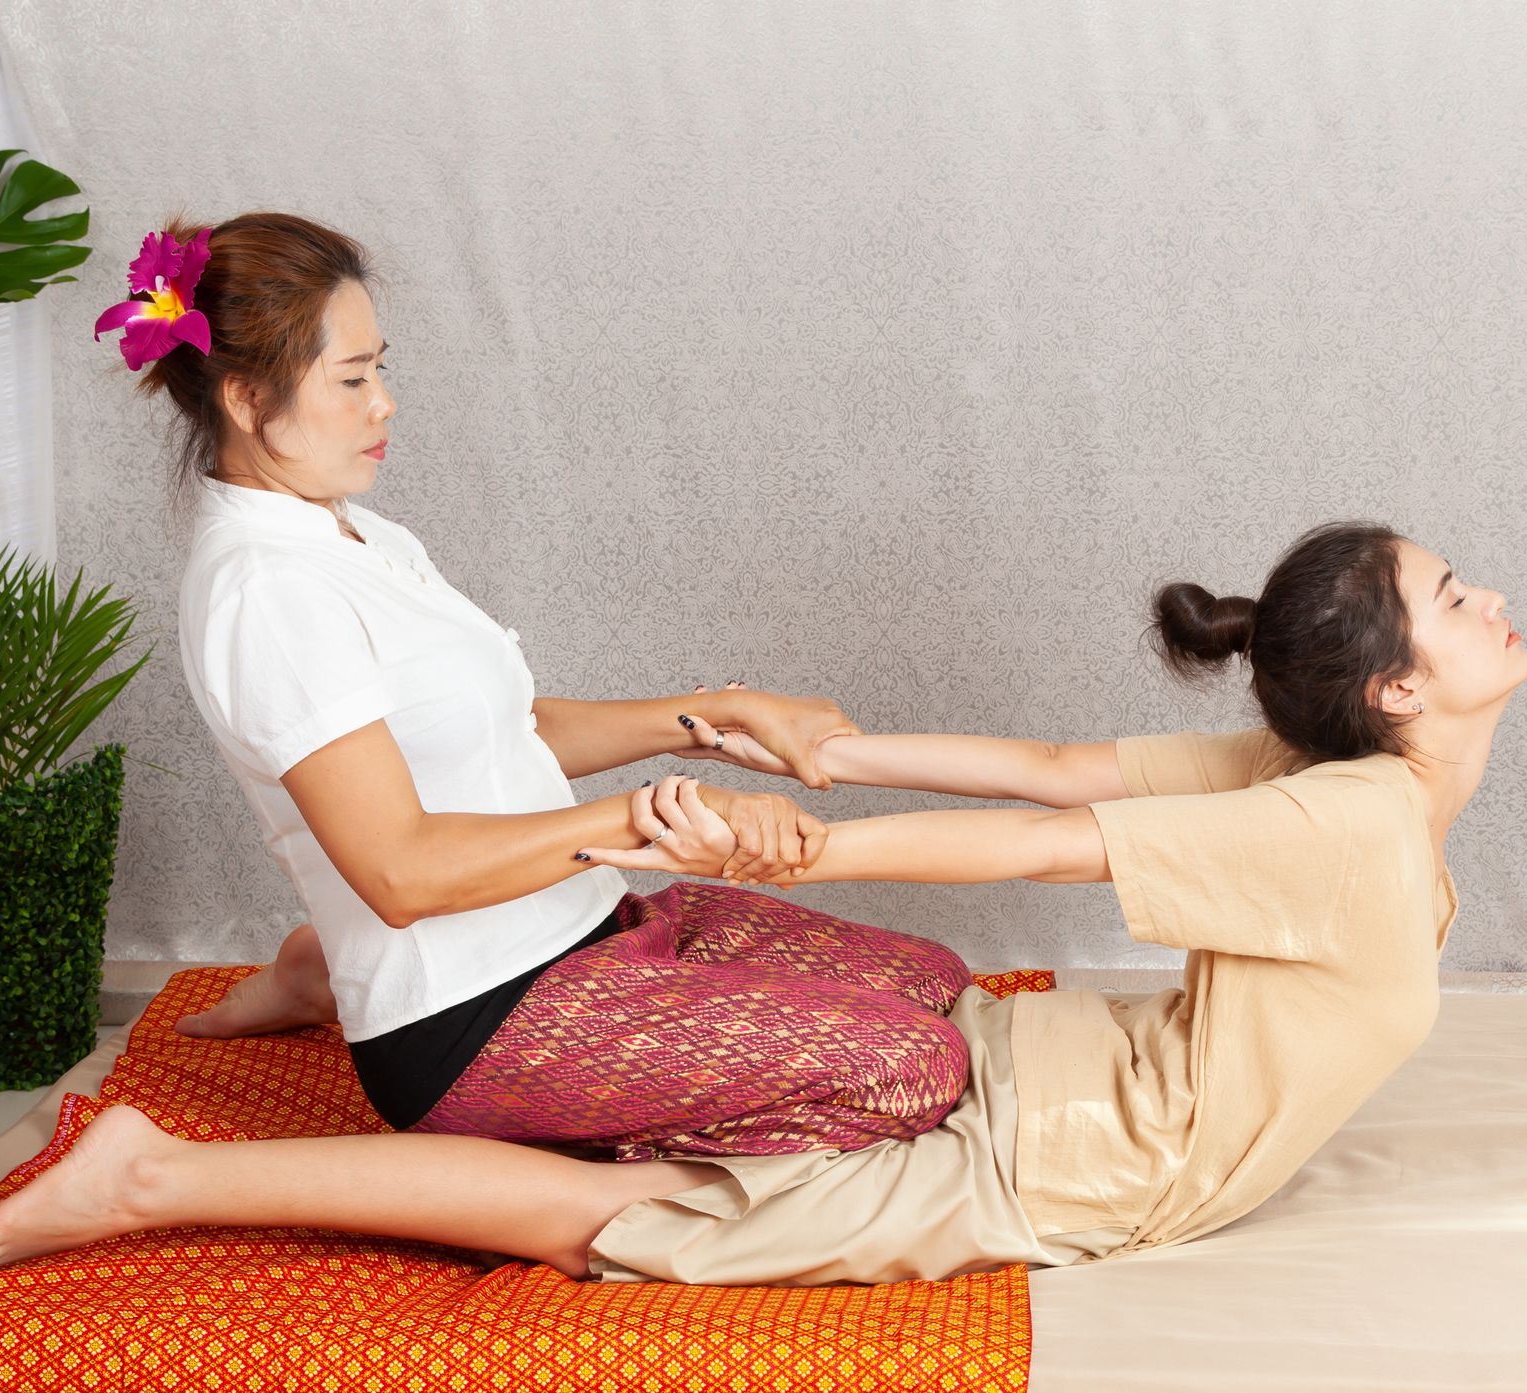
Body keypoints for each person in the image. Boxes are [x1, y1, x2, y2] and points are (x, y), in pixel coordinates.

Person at [0, 520, 1527, 1282]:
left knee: (905, 988)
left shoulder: (1320, 786)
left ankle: (331, 963)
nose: (1494, 598)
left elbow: (1060, 788)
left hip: (1050, 1083)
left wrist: (792, 824)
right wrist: (811, 787)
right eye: (1460, 595)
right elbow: (1056, 811)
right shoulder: (1354, 819)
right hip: (1071, 1162)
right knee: (645, 1225)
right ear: (1394, 687)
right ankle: (154, 1180)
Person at [96, 212, 976, 1163]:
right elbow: (401, 872)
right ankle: (396, 1035)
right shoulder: (268, 593)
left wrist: (709, 719)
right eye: (352, 381)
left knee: (933, 981)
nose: (384, 404)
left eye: (381, 369)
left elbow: (501, 732)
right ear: (243, 396)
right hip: (480, 1015)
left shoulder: (351, 532)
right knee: (915, 1065)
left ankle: (316, 967)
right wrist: (653, 820)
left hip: (586, 920)